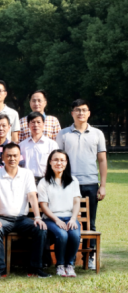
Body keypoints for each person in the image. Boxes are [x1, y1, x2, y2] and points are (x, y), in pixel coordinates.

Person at [56, 99, 106, 271]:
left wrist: (102, 185)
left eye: (84, 110)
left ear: (89, 113)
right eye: (77, 110)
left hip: (90, 183)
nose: (80, 113)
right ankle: (65, 258)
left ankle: (89, 257)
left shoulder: (97, 134)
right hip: (68, 184)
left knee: (90, 222)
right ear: (72, 113)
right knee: (65, 219)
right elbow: (58, 159)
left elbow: (102, 160)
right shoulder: (63, 134)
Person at [0, 143, 49, 278]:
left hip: (22, 219)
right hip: (3, 218)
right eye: (8, 156)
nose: (12, 158)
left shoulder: (27, 174)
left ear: (20, 157)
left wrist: (38, 217)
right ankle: (0, 270)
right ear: (3, 157)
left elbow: (32, 196)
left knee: (41, 228)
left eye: (15, 155)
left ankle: (35, 269)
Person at [37, 150, 82, 277]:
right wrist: (56, 220)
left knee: (74, 234)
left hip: (69, 217)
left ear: (66, 163)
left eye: (62, 160)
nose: (59, 163)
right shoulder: (44, 182)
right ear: (50, 162)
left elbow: (76, 202)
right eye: (56, 160)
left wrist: (73, 219)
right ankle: (60, 266)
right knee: (62, 234)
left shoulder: (73, 180)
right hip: (51, 218)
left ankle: (70, 265)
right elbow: (43, 206)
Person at [19, 112, 58, 183]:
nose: (36, 125)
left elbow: (56, 163)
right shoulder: (21, 145)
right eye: (33, 122)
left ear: (43, 124)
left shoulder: (52, 144)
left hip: (46, 180)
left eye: (38, 122)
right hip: (26, 181)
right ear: (28, 125)